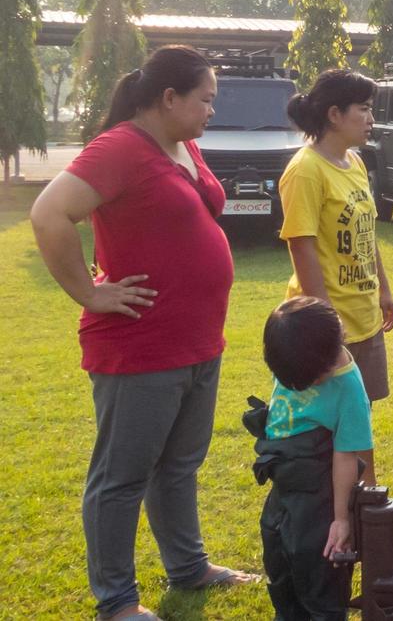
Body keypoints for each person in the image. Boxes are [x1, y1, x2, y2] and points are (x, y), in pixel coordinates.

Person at [29, 46, 257, 621]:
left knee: (178, 466)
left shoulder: (183, 145)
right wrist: (89, 291)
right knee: (121, 478)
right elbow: (49, 213)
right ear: (169, 97)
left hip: (199, 341)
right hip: (140, 345)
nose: (211, 110)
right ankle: (117, 602)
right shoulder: (120, 148)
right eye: (205, 100)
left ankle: (188, 567)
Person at [280, 69, 393, 485]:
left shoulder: (356, 162)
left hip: (364, 318)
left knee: (359, 419)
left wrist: (383, 289)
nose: (371, 119)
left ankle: (365, 507)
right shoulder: (305, 170)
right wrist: (324, 325)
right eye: (363, 110)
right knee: (328, 427)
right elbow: (301, 245)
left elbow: (367, 232)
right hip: (328, 325)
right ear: (334, 114)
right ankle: (342, 510)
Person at [246, 297, 373, 621]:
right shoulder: (297, 353)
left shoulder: (348, 388)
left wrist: (340, 519)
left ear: (326, 363)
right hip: (284, 487)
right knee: (280, 565)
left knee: (319, 575)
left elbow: (346, 456)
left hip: (319, 494)